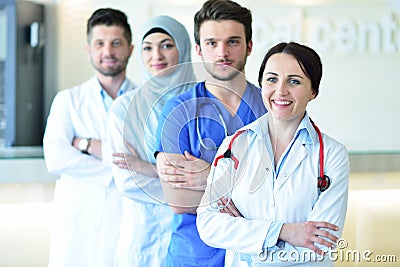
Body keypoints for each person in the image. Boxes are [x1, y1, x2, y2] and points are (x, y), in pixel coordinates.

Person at [196, 41, 350, 266]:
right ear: (261, 85)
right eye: (272, 79)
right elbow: (209, 225)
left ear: (313, 91)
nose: (280, 90)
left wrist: (246, 242)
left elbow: (320, 245)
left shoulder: (332, 155)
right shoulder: (234, 145)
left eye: (294, 81)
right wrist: (284, 232)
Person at [154, 1, 267, 266]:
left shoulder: (271, 108)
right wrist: (247, 186)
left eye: (233, 42)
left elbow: (283, 194)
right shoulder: (178, 111)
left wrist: (209, 176)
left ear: (249, 46)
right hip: (194, 255)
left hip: (257, 255)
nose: (222, 52)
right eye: (212, 43)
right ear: (198, 49)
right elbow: (180, 201)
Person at [43, 8, 135, 267]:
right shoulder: (68, 100)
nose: (108, 51)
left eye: (116, 43)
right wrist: (119, 168)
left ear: (130, 48)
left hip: (127, 220)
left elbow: (147, 161)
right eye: (100, 44)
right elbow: (56, 158)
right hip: (79, 224)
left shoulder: (144, 101)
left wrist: (84, 144)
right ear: (89, 50)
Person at [108, 15, 195, 267]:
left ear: (183, 47)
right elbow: (127, 181)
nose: (156, 55)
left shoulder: (203, 102)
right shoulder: (124, 109)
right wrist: (189, 188)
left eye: (167, 45)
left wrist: (150, 168)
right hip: (142, 236)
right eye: (148, 47)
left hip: (194, 237)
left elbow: (215, 175)